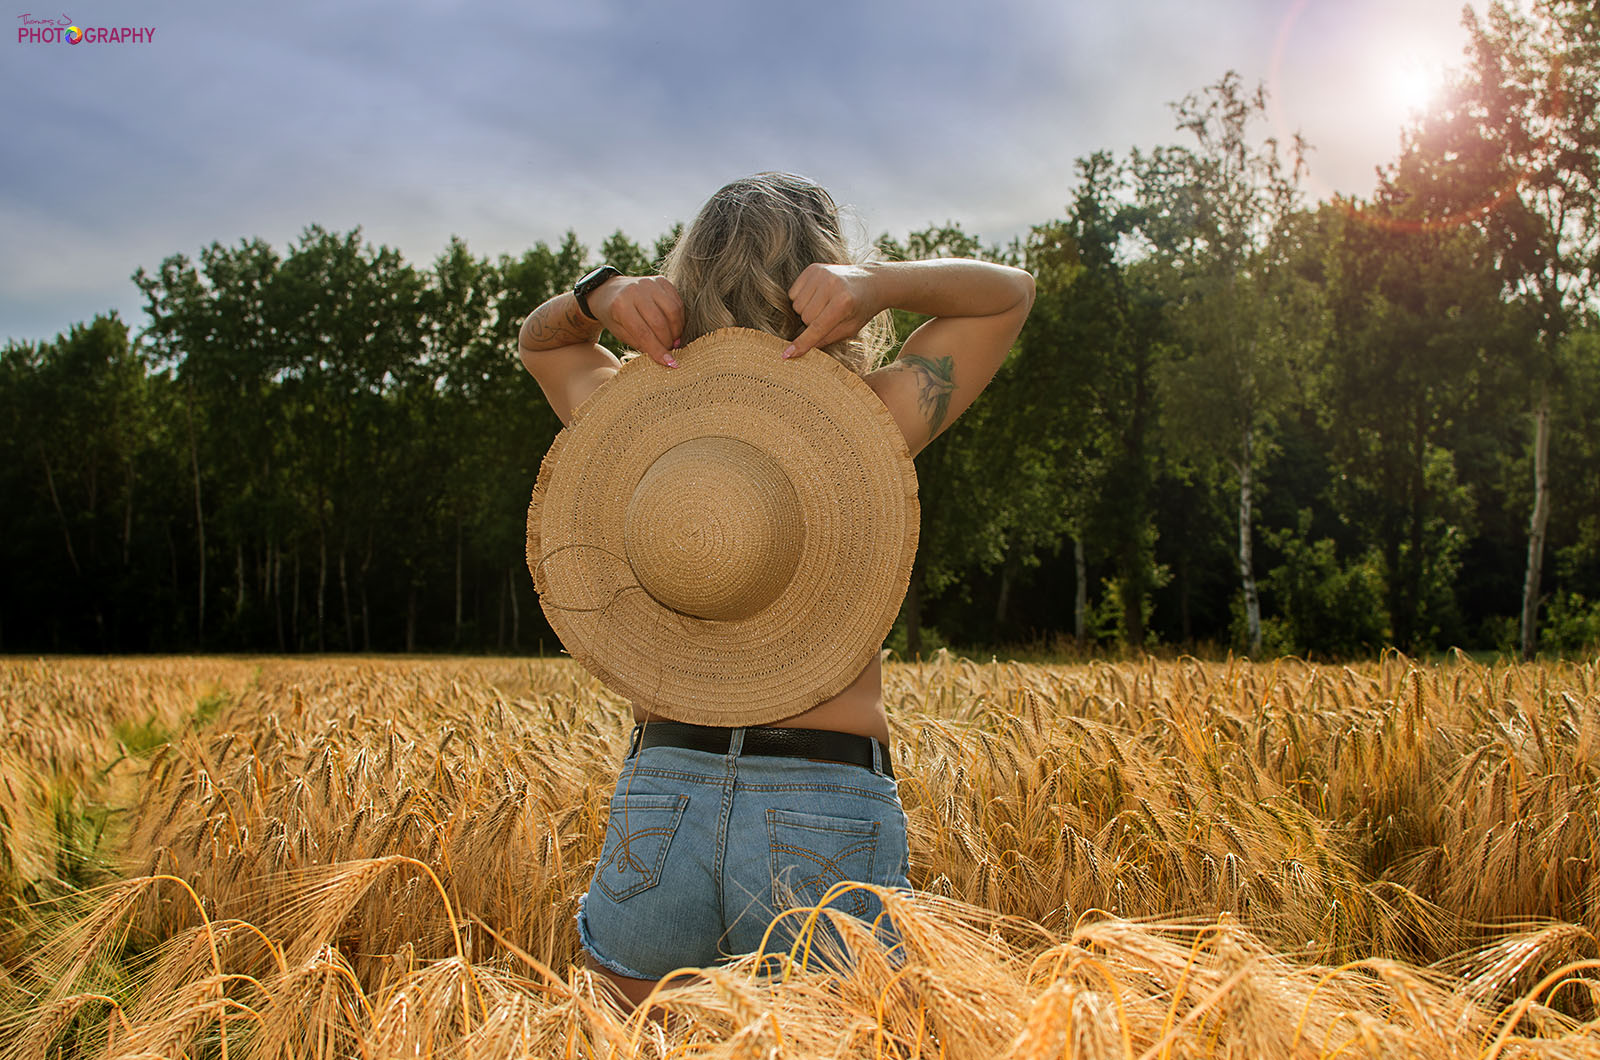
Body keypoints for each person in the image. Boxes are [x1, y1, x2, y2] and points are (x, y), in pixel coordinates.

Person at [516, 172, 1033, 1008]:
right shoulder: (872, 422)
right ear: (823, 273)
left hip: (666, 789)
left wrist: (600, 294)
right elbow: (1007, 296)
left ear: (685, 274)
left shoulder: (630, 424)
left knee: (638, 1039)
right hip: (821, 797)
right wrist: (879, 286)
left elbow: (542, 343)